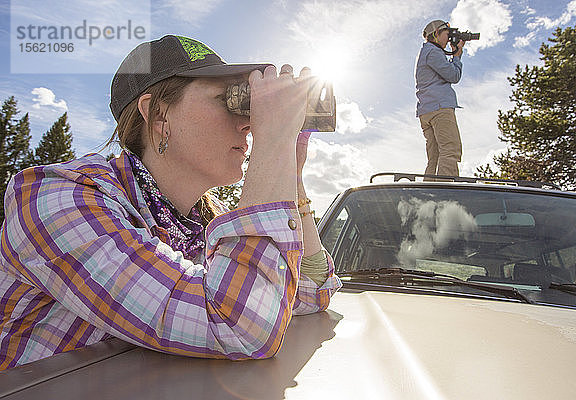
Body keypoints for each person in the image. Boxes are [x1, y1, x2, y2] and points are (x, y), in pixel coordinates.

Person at [0, 35, 341, 369]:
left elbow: (310, 291)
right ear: (158, 114)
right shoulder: (57, 200)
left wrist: (290, 171)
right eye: (231, 100)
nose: (249, 123)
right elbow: (238, 326)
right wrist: (272, 143)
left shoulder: (203, 222)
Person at [415, 20, 465, 178]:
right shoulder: (433, 51)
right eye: (447, 34)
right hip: (439, 109)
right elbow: (453, 76)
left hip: (426, 111)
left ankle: (429, 195)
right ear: (436, 33)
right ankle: (446, 195)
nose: (449, 38)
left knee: (434, 158)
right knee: (450, 151)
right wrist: (456, 56)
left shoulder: (425, 52)